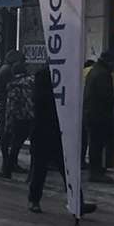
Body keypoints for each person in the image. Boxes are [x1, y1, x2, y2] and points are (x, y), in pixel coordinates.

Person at [29, 65, 98, 215]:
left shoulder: (65, 75)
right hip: (44, 131)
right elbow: (39, 102)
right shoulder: (43, 76)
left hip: (60, 132)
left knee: (68, 170)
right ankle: (34, 200)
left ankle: (77, 202)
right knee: (40, 169)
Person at [0, 60, 36, 179]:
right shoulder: (32, 81)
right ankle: (32, 175)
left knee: (13, 145)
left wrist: (8, 124)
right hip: (33, 118)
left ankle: (7, 170)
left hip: (19, 119)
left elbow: (11, 107)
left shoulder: (14, 85)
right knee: (33, 147)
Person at [84, 50, 114, 182]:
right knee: (97, 144)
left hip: (92, 113)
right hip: (98, 115)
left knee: (95, 143)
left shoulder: (94, 70)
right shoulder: (103, 74)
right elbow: (105, 95)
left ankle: (96, 169)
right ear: (110, 61)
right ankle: (95, 172)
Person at [0, 49, 26, 168]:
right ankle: (9, 163)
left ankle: (8, 163)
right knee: (10, 135)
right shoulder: (8, 71)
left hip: (7, 106)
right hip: (9, 106)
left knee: (8, 135)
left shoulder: (4, 69)